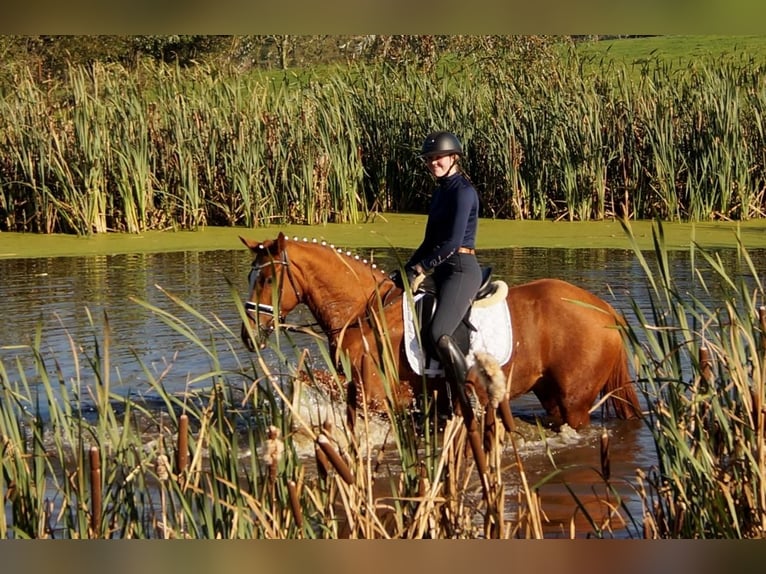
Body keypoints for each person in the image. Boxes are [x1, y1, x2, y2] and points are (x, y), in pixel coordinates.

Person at [389, 131, 482, 413]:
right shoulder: (441, 192)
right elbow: (430, 242)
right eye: (429, 159)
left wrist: (423, 267)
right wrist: (405, 271)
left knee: (440, 332)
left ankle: (468, 398)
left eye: (438, 158)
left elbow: (453, 242)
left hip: (461, 270)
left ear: (454, 157)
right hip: (442, 270)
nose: (433, 163)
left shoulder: (464, 192)